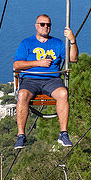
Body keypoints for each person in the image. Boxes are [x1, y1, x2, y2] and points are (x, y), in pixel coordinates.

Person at [13, 13, 79, 149]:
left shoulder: (58, 43)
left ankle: (63, 133)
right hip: (31, 79)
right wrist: (38, 63)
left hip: (52, 80)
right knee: (22, 95)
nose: (45, 27)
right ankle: (21, 135)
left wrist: (72, 41)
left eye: (48, 25)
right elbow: (17, 65)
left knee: (63, 94)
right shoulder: (27, 43)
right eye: (42, 24)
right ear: (36, 26)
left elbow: (73, 59)